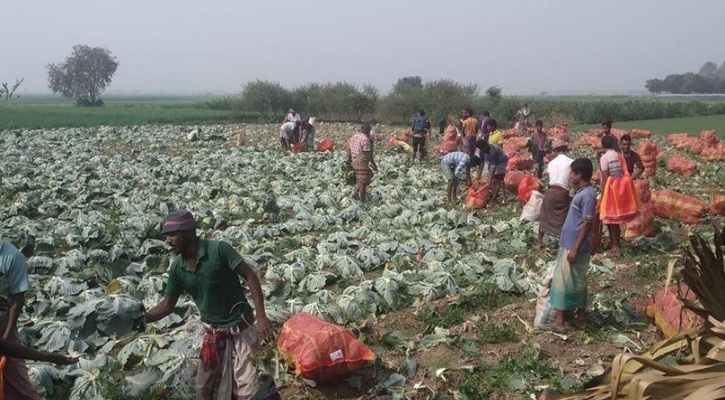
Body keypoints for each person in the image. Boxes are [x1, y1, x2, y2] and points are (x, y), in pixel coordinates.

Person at [139, 210, 281, 400]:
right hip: (213, 335)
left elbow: (250, 276)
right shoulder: (177, 268)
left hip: (242, 331)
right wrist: (143, 318)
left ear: (188, 233)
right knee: (205, 389)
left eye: (172, 235)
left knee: (251, 390)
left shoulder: (219, 250)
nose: (168, 241)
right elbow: (167, 304)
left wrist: (261, 316)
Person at [1, 239, 77, 399]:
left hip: (4, 327)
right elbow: (5, 347)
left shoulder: (12, 257)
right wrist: (49, 357)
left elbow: (18, 299)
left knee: (16, 379)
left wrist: (7, 336)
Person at [543, 158, 596, 332]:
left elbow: (587, 223)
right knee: (576, 281)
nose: (569, 175)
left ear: (579, 174)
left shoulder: (587, 195)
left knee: (564, 282)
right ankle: (579, 318)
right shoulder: (582, 193)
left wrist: (574, 247)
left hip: (575, 245)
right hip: (570, 242)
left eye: (572, 172)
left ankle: (560, 322)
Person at [598, 135, 639, 255]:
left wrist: (602, 195)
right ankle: (616, 243)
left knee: (611, 219)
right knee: (616, 218)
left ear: (603, 145)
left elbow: (606, 178)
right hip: (623, 188)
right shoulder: (618, 155)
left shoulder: (604, 158)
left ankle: (615, 245)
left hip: (612, 190)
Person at [537, 139, 574, 247]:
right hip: (563, 193)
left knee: (545, 216)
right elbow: (572, 181)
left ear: (556, 150)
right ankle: (563, 243)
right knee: (563, 218)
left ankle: (539, 242)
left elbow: (546, 179)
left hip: (551, 192)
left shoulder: (551, 163)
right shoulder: (571, 162)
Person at [349, 123, 378, 202]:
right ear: (367, 130)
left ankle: (355, 193)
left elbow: (349, 148)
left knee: (369, 174)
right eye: (369, 130)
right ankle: (362, 201)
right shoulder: (365, 139)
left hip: (354, 159)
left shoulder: (354, 136)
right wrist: (373, 164)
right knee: (364, 183)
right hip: (361, 161)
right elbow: (367, 154)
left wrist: (349, 159)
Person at [475, 140, 508, 205]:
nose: (482, 151)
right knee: (493, 180)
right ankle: (496, 195)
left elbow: (493, 166)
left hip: (501, 161)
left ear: (486, 146)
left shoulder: (493, 151)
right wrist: (479, 175)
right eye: (480, 149)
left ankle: (494, 198)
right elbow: (482, 163)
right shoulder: (481, 151)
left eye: (483, 149)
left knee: (498, 179)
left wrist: (489, 179)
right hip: (491, 162)